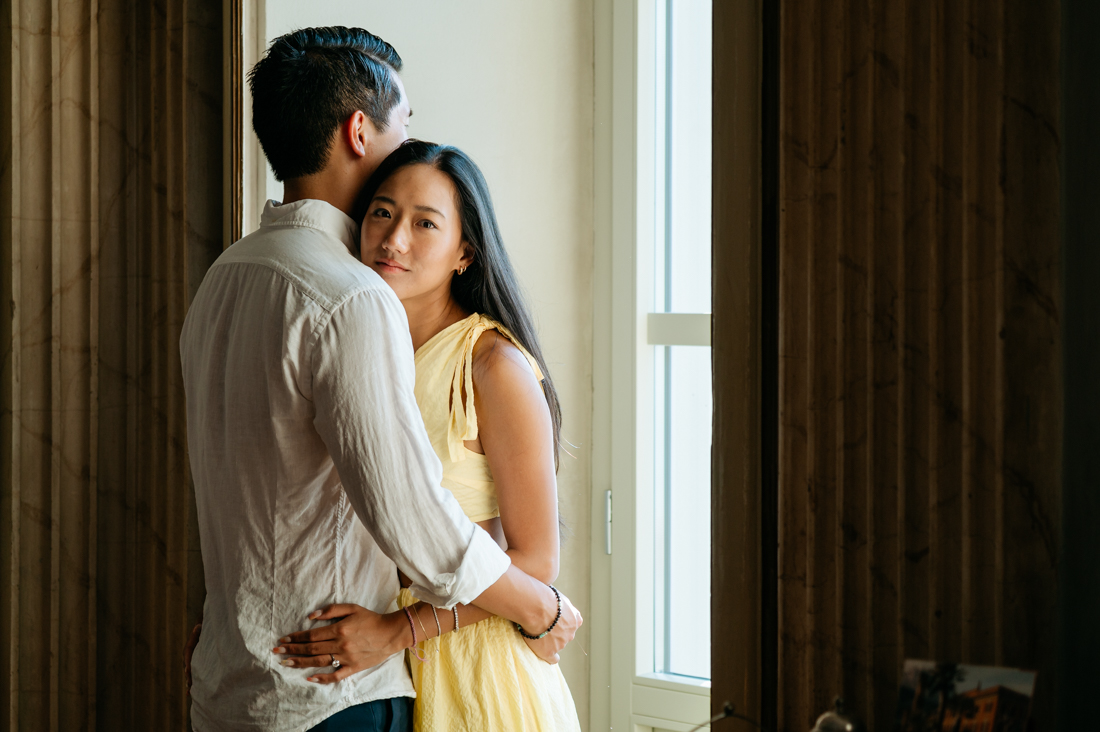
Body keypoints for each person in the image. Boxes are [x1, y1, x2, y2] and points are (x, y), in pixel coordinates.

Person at [180, 27, 580, 732]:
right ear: (360, 130)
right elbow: (416, 518)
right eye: (405, 124)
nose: (408, 145)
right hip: (328, 694)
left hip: (231, 685)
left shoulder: (224, 278)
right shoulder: (349, 298)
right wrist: (539, 608)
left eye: (427, 223)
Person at [273, 141, 583, 731]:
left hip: (473, 669)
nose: (393, 241)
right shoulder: (354, 343)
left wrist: (400, 630)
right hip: (366, 671)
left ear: (464, 250)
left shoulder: (492, 366)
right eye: (382, 213)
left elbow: (538, 559)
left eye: (425, 224)